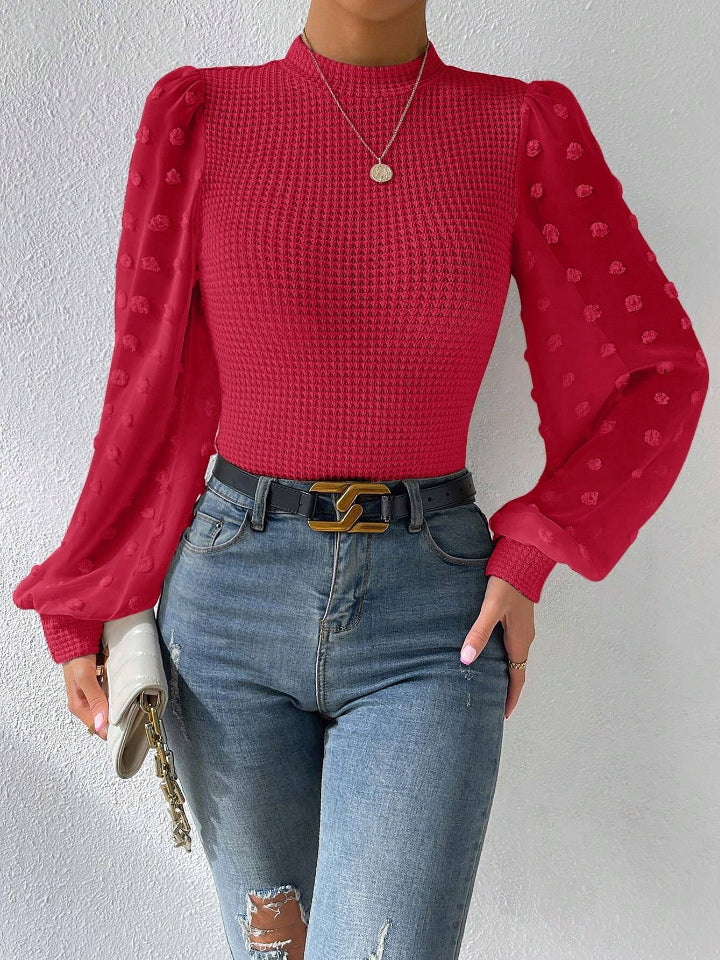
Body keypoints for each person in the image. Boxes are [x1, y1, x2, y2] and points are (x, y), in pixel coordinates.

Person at [12, 1, 709, 957]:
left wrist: (539, 546)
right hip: (228, 607)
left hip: (433, 622)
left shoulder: (520, 126)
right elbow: (146, 381)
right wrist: (91, 590)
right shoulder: (201, 115)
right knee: (274, 949)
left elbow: (657, 372)